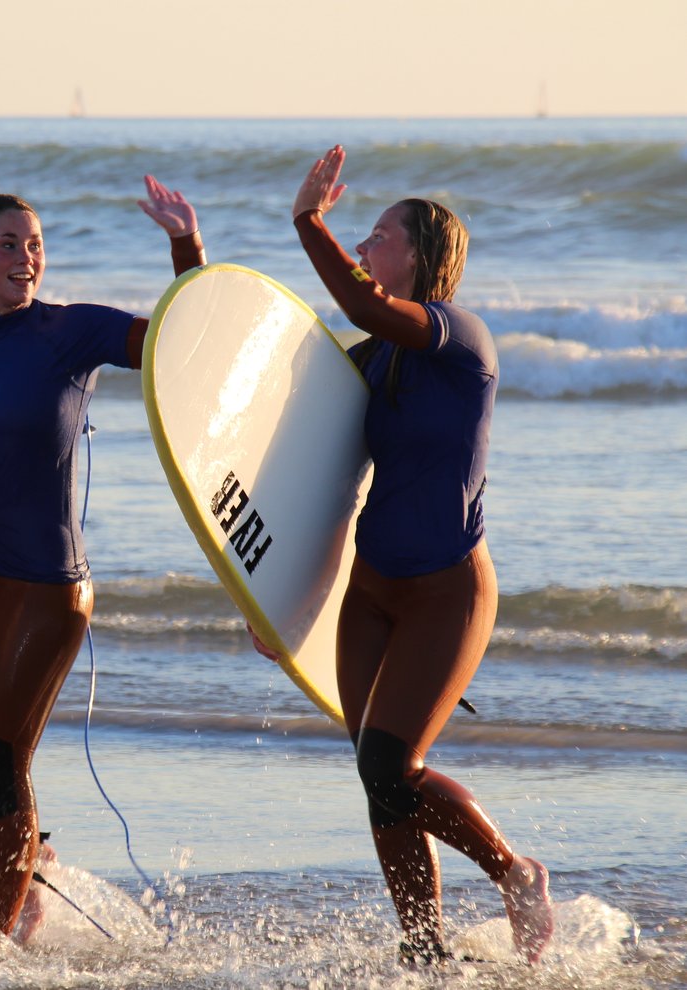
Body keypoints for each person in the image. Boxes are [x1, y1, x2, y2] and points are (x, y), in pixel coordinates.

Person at [0, 177, 203, 939]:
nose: (26, 258)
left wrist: (185, 247)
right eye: (8, 245)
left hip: (42, 586)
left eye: (35, 246)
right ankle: (33, 864)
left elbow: (182, 342)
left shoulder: (72, 332)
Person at [284, 145, 556, 965]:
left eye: (378, 235)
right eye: (359, 235)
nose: (366, 247)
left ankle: (513, 874)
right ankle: (424, 949)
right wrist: (276, 593)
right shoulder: (373, 359)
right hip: (372, 591)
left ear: (422, 256)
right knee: (379, 778)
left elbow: (366, 309)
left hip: (447, 592)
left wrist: (309, 224)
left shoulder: (457, 338)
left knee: (389, 761)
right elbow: (314, 480)